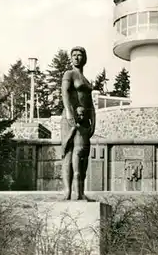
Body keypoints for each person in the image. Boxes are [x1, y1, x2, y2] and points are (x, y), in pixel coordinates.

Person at [60, 47, 95, 200]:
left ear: (84, 58)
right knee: (68, 153)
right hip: (71, 117)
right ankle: (68, 192)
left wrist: (94, 120)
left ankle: (80, 192)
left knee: (81, 155)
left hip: (84, 120)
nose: (76, 57)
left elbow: (90, 103)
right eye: (74, 55)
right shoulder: (69, 74)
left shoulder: (85, 79)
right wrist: (69, 111)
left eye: (80, 55)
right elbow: (65, 92)